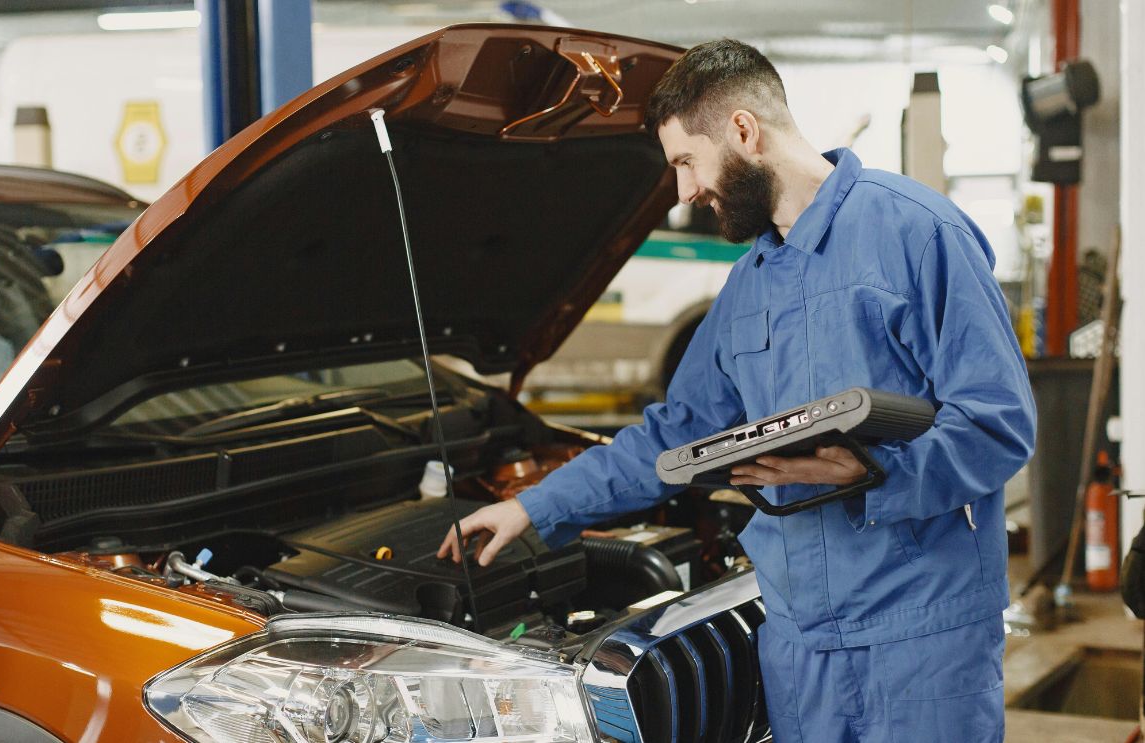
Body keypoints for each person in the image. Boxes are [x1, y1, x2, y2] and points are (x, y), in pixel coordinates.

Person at [439, 38, 1035, 743]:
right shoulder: (748, 286)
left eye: (686, 162)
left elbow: (997, 423)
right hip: (797, 640)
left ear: (743, 131)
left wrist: (870, 471)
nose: (685, 191)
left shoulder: (915, 232)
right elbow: (672, 434)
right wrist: (530, 508)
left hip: (919, 636)